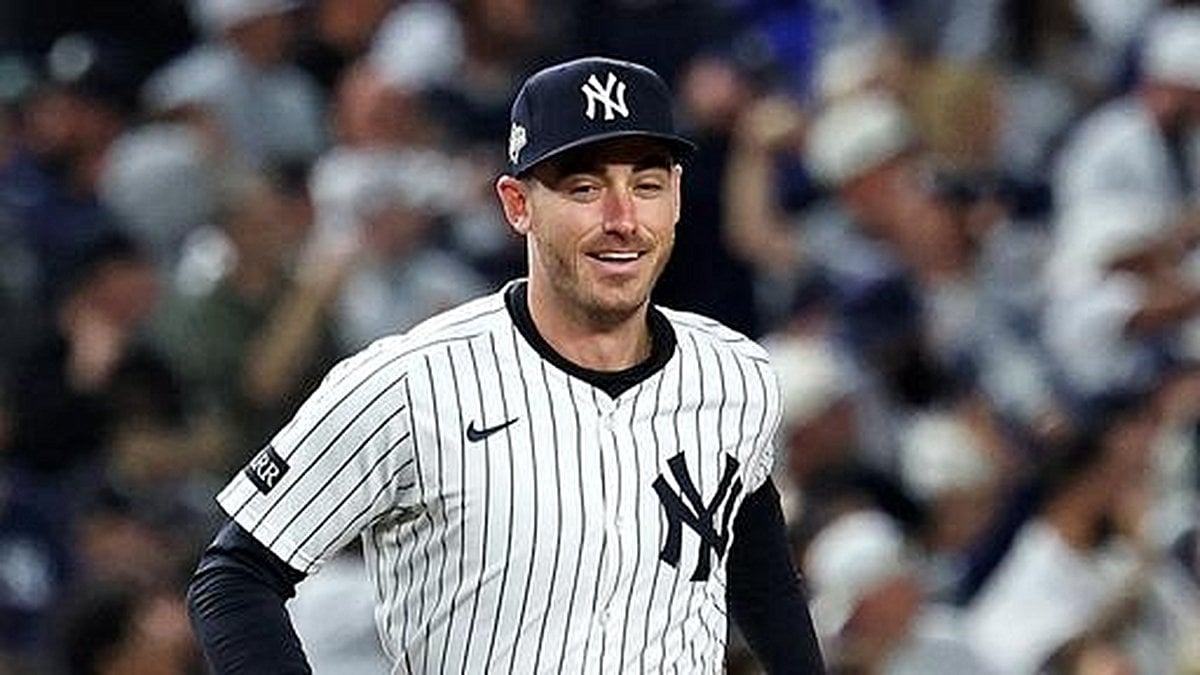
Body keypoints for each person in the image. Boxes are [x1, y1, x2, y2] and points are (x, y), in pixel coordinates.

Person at [186, 56, 825, 673]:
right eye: (584, 188)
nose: (623, 219)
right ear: (518, 205)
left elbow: (759, 568)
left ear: (677, 197)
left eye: (647, 185)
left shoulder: (735, 374)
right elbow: (234, 576)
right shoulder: (410, 382)